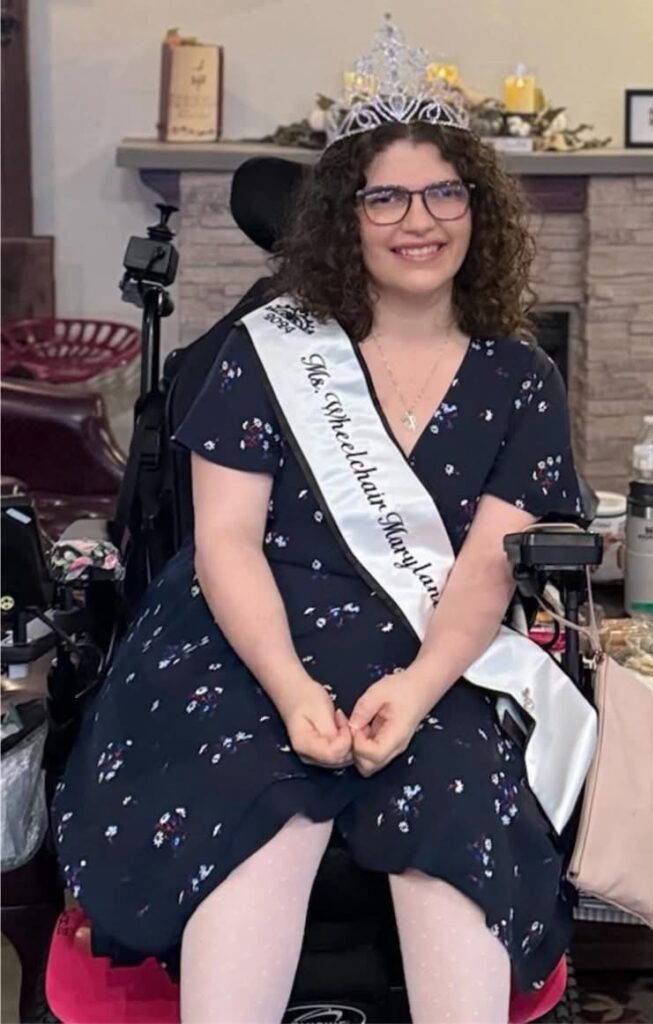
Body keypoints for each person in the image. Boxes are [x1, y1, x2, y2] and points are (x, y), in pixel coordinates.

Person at [53, 19, 596, 1024]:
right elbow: (224, 542)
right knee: (256, 806)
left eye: (444, 192)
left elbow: (486, 565)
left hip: (431, 644)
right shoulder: (266, 350)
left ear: (476, 208)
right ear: (345, 217)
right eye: (384, 196)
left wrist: (420, 689)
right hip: (243, 637)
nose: (418, 220)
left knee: (454, 811)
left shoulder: (520, 376)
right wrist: (293, 688)